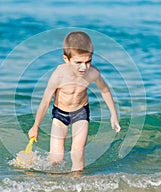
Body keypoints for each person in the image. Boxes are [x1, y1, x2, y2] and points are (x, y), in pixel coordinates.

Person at [28, 31, 121, 172]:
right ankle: (50, 184)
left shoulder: (93, 73)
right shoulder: (58, 76)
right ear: (66, 59)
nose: (84, 67)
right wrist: (35, 126)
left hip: (81, 113)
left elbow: (105, 90)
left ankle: (77, 184)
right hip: (60, 114)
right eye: (78, 62)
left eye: (88, 61)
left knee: (77, 153)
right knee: (56, 158)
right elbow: (45, 101)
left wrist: (113, 115)